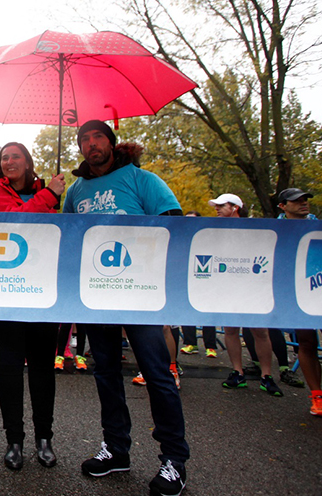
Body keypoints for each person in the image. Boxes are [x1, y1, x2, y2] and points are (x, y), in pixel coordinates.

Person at [63, 120, 189, 496]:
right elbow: (68, 239)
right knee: (105, 375)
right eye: (84, 139)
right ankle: (116, 449)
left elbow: (174, 225)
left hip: (141, 295)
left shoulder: (142, 179)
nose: (91, 144)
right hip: (97, 295)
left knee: (157, 375)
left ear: (112, 143)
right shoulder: (75, 190)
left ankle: (174, 461)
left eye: (98, 136)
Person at [0, 141, 65, 470]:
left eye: (16, 156)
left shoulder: (51, 190)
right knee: (10, 371)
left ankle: (45, 437)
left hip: (44, 295)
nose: (10, 161)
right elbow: (14, 220)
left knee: (43, 370)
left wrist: (53, 196)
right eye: (4, 157)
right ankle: (14, 439)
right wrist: (49, 197)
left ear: (28, 162)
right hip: (6, 295)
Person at [208, 193, 285, 397]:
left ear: (235, 208)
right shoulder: (213, 231)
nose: (216, 209)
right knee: (230, 330)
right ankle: (237, 372)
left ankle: (266, 376)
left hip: (252, 287)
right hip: (227, 287)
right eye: (215, 206)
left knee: (260, 331)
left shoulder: (254, 229)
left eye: (221, 206)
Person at [276, 187, 322, 417]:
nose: (303, 203)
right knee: (306, 343)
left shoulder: (321, 226)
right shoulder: (273, 229)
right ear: (283, 206)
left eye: (305, 199)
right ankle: (317, 397)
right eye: (296, 201)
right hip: (295, 294)